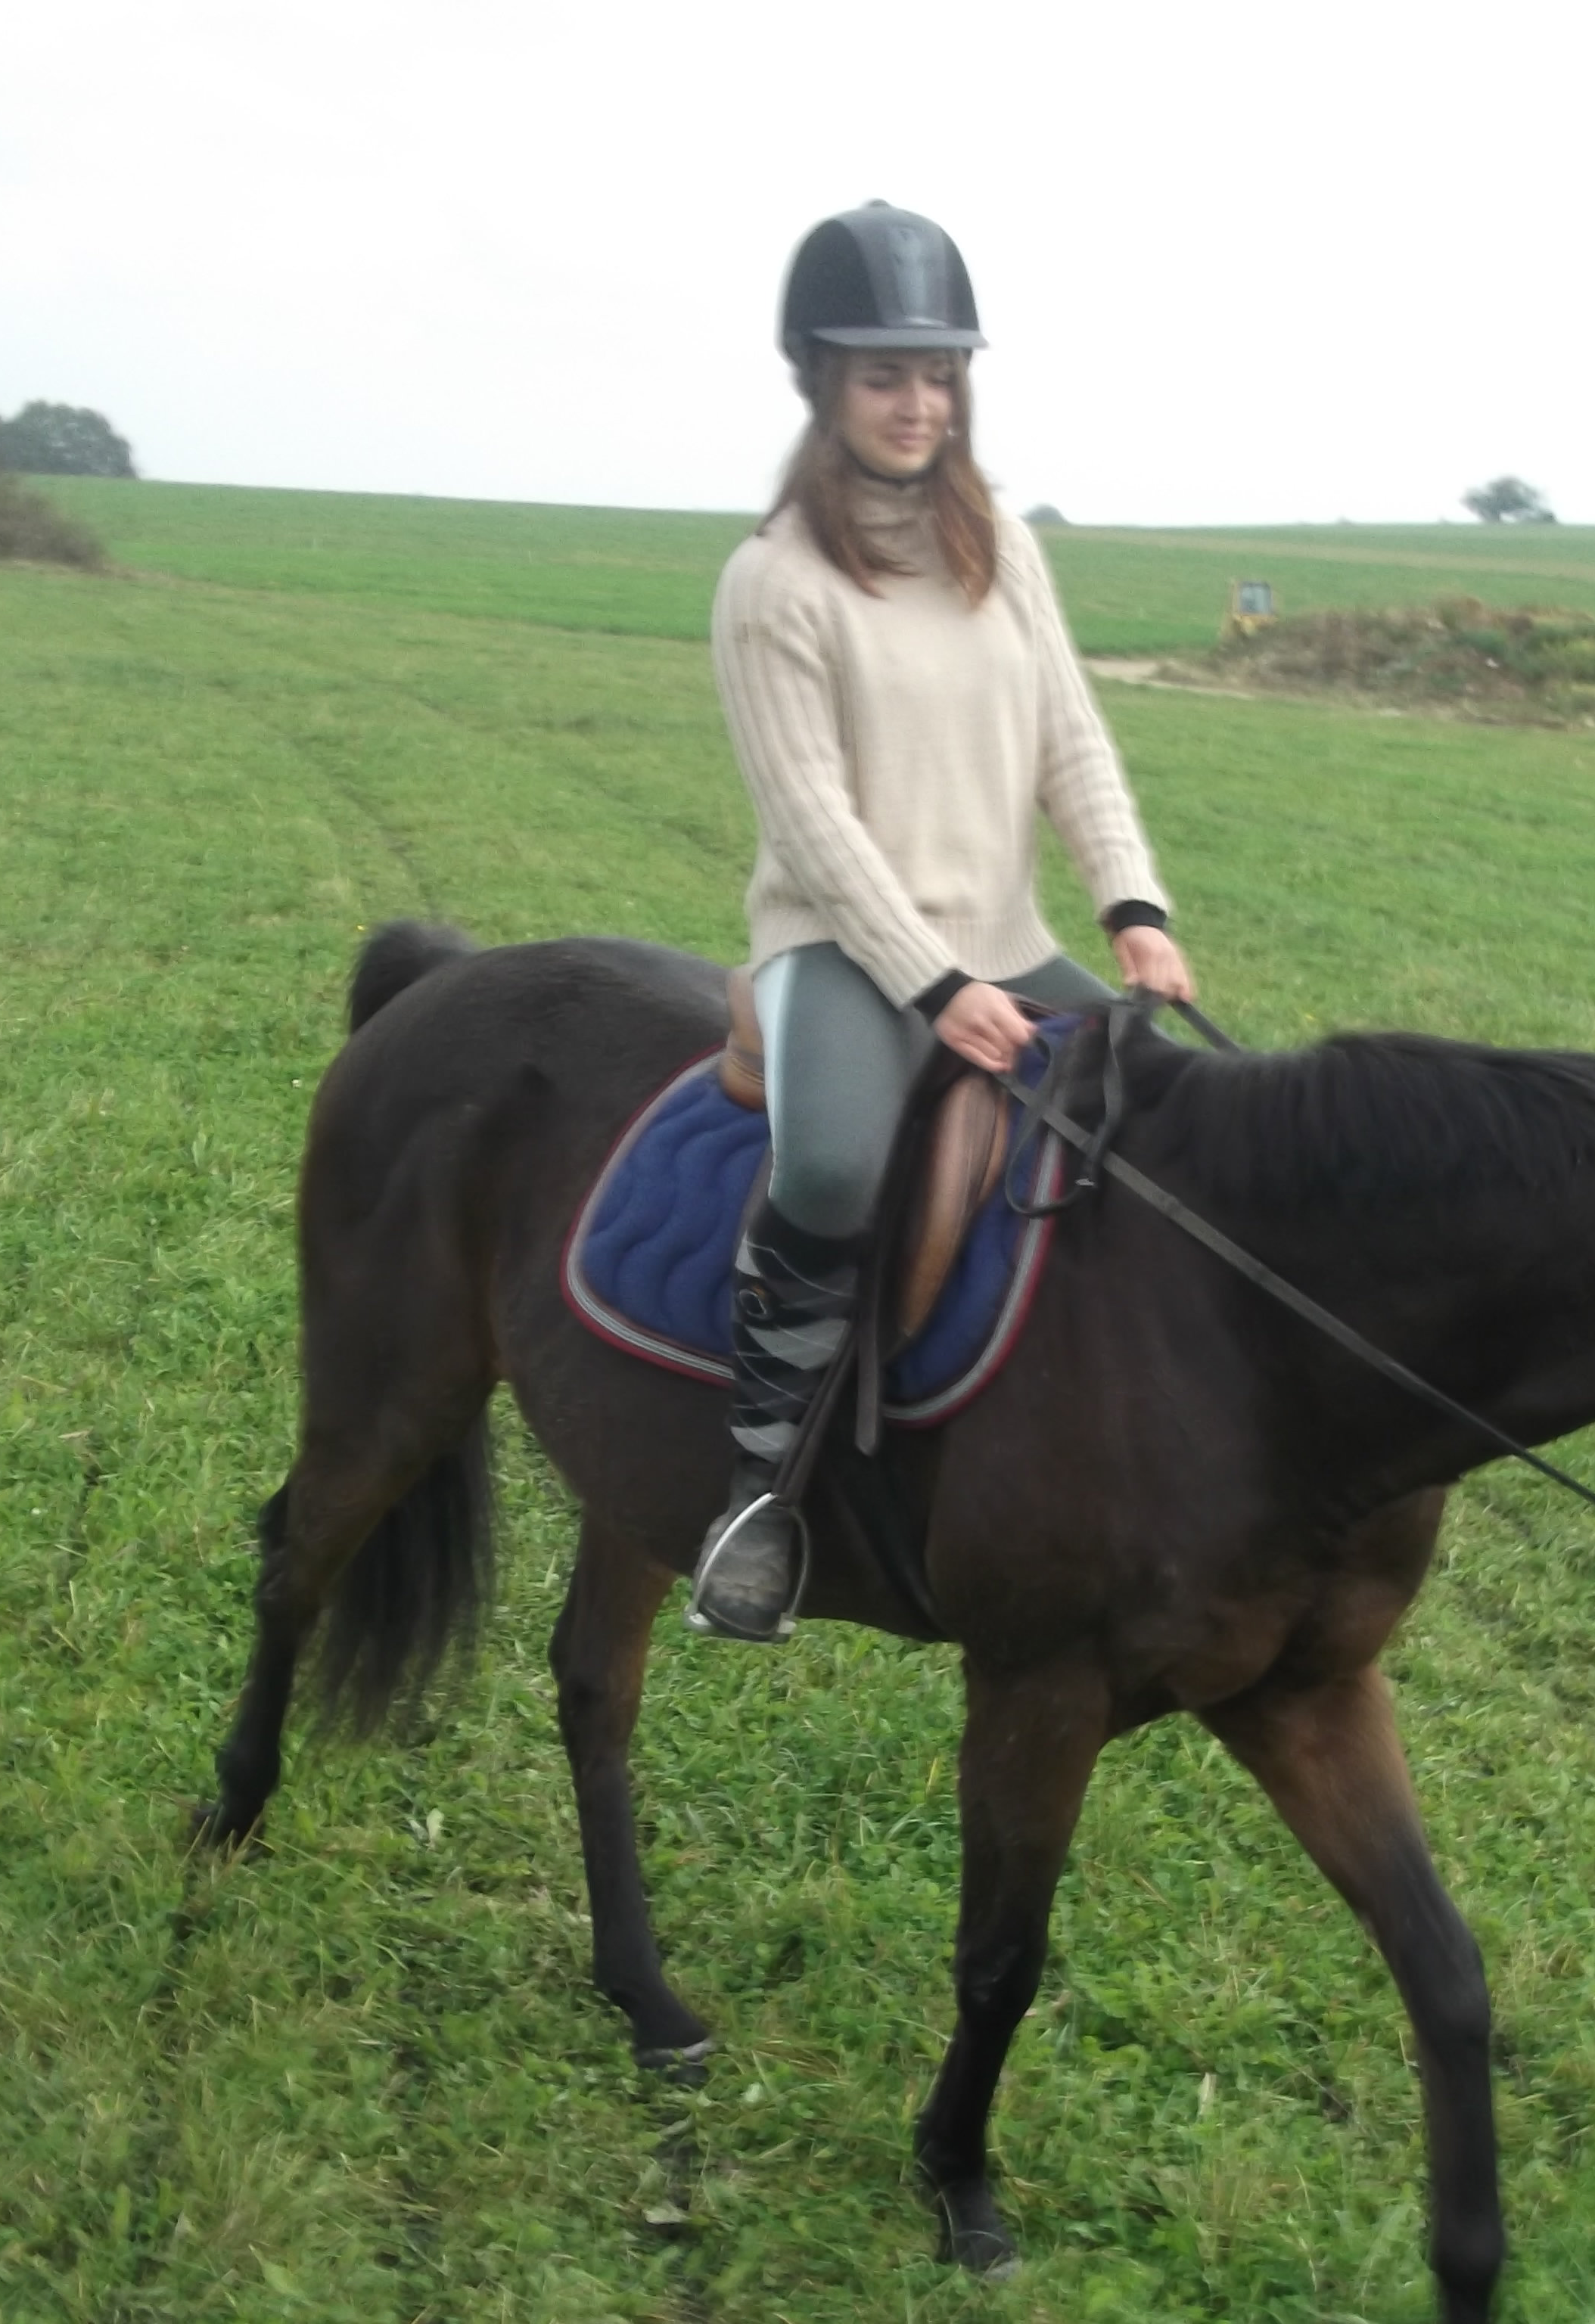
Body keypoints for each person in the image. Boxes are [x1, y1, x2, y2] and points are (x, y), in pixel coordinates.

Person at [689, 200, 1195, 1641]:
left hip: (1006, 935)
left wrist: (1133, 907)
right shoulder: (773, 582)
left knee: (1175, 1120)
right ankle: (758, 1494)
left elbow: (1071, 742)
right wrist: (932, 988)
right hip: (844, 953)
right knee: (835, 1164)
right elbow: (813, 824)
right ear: (820, 382)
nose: (918, 404)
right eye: (882, 376)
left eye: (938, 373)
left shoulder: (1002, 549)